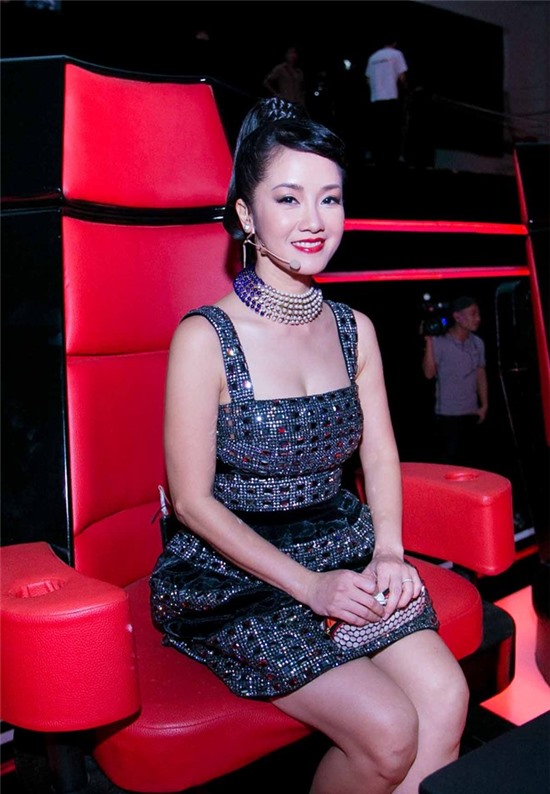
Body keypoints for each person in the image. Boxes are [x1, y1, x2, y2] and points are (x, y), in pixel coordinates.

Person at [150, 97, 469, 794]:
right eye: (288, 198)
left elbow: (379, 455)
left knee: (446, 697)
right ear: (245, 215)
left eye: (330, 198)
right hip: (236, 576)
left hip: (344, 550)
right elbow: (192, 502)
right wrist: (309, 586)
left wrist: (390, 551)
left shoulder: (356, 329)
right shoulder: (204, 338)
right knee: (388, 731)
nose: (314, 220)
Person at [422, 295, 488, 468]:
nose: (478, 318)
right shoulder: (440, 342)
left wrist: (484, 405)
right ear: (458, 317)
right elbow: (428, 374)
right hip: (448, 416)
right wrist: (429, 342)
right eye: (473, 314)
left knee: (473, 466)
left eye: (478, 314)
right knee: (449, 466)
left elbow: (480, 373)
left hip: (472, 413)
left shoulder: (478, 343)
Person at [365, 37, 408, 168]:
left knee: (378, 130)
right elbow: (402, 77)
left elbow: (368, 79)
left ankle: (377, 158)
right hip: (391, 97)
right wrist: (405, 88)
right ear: (395, 42)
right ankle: (391, 160)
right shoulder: (397, 54)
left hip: (375, 99)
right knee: (392, 130)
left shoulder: (373, 57)